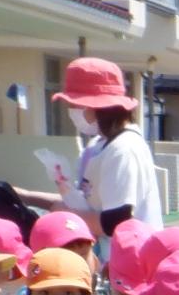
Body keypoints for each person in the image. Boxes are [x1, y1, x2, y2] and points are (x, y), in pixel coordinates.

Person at [35, 58, 164, 235]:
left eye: (75, 104)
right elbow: (89, 204)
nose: (71, 110)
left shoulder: (122, 150)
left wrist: (64, 215)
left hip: (128, 258)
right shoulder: (100, 144)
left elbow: (115, 223)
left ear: (97, 107)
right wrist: (25, 195)